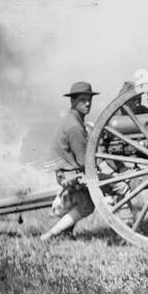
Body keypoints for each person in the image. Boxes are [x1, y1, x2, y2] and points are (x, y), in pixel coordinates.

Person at [40, 81, 100, 242]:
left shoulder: (73, 120)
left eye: (89, 100)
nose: (87, 103)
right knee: (90, 203)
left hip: (67, 171)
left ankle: (62, 232)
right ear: (73, 101)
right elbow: (83, 161)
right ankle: (50, 235)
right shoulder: (74, 126)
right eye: (82, 100)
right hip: (71, 174)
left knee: (85, 202)